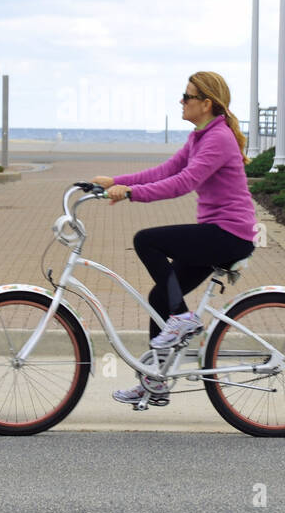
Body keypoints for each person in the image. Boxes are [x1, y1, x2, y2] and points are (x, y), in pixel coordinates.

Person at [93, 72, 257, 407]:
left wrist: (131, 194)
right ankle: (156, 380)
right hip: (217, 232)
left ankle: (183, 320)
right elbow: (165, 171)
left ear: (206, 103)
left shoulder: (218, 138)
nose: (180, 101)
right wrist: (116, 180)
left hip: (229, 235)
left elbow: (183, 183)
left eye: (187, 96)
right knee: (160, 297)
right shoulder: (200, 137)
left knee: (146, 240)